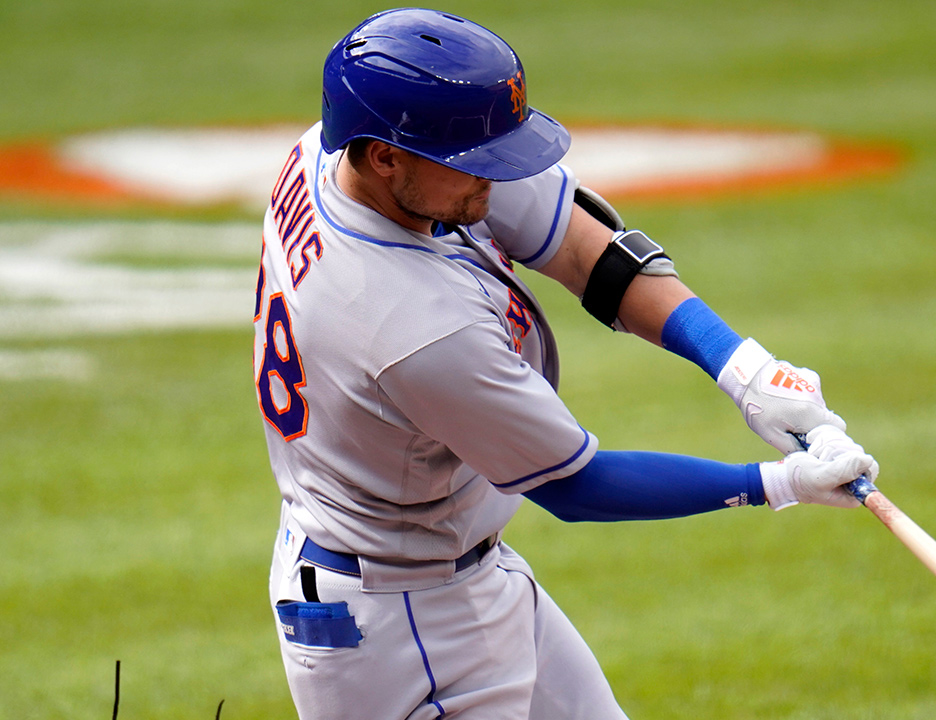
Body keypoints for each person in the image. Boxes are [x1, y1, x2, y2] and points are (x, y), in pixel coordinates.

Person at [252, 8, 879, 719]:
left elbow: (590, 255)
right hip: (394, 629)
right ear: (384, 156)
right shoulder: (414, 326)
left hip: (451, 569)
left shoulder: (340, 152)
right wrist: (779, 482)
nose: (491, 181)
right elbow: (575, 487)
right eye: (472, 164)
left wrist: (745, 369)